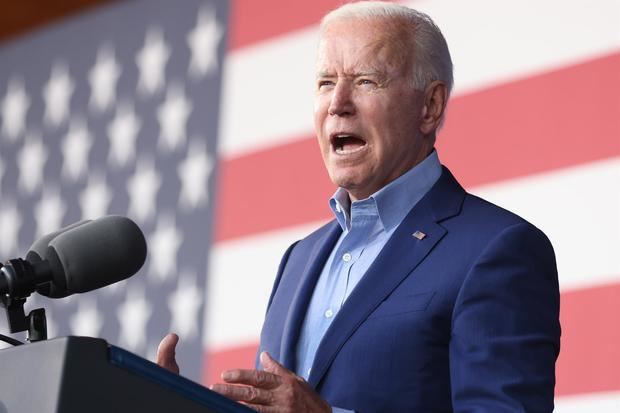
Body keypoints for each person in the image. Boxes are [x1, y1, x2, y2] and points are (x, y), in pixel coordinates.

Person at [158, 2, 561, 412]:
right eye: (325, 83)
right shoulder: (298, 259)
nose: (338, 103)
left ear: (430, 106)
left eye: (366, 80)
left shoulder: (498, 250)